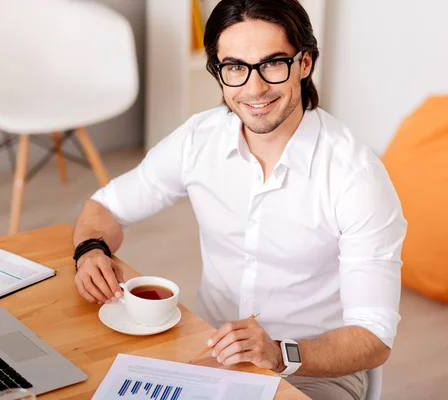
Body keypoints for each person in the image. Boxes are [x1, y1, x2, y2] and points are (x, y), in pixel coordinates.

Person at [71, 0, 406, 398]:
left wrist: (279, 353)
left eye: (272, 63)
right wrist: (91, 251)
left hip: (310, 371)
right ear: (218, 70)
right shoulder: (200, 139)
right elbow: (106, 207)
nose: (254, 88)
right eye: (235, 68)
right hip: (208, 351)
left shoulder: (356, 177)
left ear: (304, 63)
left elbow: (373, 337)